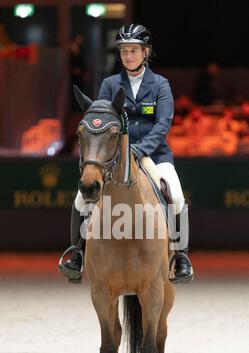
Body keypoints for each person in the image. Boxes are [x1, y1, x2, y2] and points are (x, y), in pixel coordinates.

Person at [59, 23, 194, 284]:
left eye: (134, 50)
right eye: (124, 51)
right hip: (116, 158)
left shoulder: (160, 85)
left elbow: (163, 124)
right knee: (80, 199)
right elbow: (99, 122)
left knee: (176, 196)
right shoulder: (110, 85)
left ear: (146, 53)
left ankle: (180, 256)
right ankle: (76, 253)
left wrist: (140, 149)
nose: (128, 56)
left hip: (154, 155)